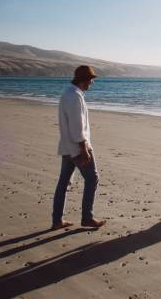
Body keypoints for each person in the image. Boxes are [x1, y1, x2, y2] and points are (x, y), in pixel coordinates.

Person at [52, 65, 105, 230]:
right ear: (84, 80)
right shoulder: (75, 96)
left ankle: (57, 220)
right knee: (92, 178)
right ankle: (87, 218)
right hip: (77, 146)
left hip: (67, 146)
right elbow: (77, 126)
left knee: (63, 182)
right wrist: (83, 149)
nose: (92, 83)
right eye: (91, 80)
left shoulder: (68, 93)